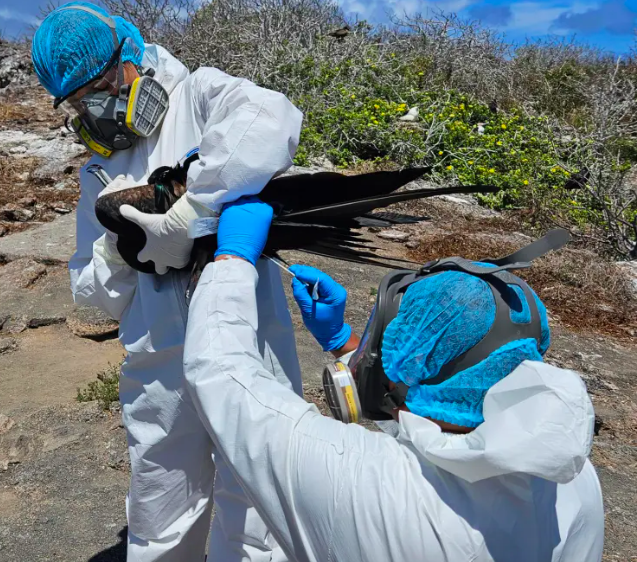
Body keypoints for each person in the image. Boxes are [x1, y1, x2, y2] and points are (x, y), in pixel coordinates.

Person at [183, 197, 605, 562]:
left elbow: (222, 374)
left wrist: (233, 260)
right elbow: (445, 444)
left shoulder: (355, 481)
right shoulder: (572, 477)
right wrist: (344, 344)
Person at [31, 5, 303, 561]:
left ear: (131, 55)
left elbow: (270, 120)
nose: (96, 106)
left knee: (255, 498)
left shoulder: (201, 96)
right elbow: (93, 293)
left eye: (102, 85)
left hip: (246, 339)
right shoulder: (96, 171)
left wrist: (191, 212)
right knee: (159, 501)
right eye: (80, 101)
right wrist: (122, 249)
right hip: (157, 358)